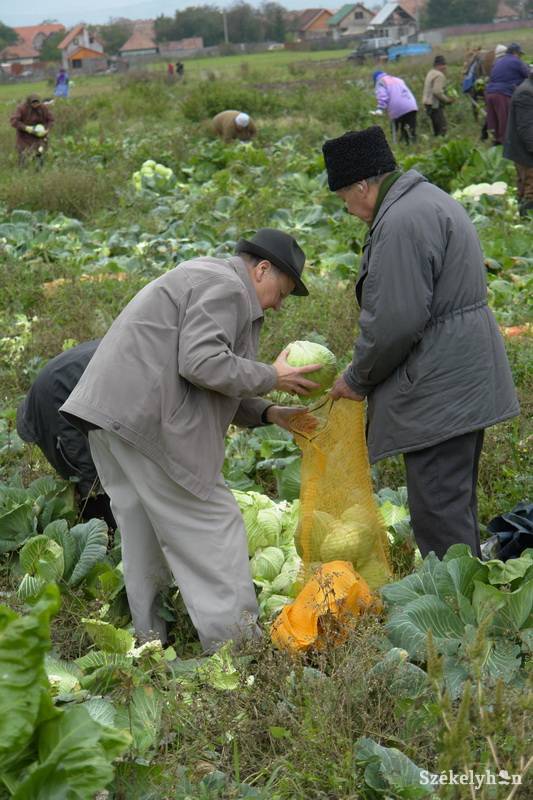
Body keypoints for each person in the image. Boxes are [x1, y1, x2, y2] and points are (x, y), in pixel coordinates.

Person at [60, 229, 321, 651]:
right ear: (262, 269)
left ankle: (150, 642)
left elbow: (205, 376)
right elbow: (202, 363)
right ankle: (238, 654)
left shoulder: (205, 276)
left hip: (112, 420)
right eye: (281, 292)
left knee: (141, 533)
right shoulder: (226, 287)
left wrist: (269, 412)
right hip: (147, 422)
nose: (277, 304)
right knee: (214, 525)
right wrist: (274, 376)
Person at [322, 126, 520, 561]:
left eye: (344, 199)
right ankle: (470, 601)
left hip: (437, 389)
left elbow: (395, 321)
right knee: (453, 500)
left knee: (438, 510)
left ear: (361, 186)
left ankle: (455, 619)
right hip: (459, 377)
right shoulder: (427, 201)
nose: (348, 210)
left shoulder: (400, 221)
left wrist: (356, 379)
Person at [16, 341, 116, 529]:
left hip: (66, 387)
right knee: (84, 471)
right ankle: (103, 525)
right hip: (55, 398)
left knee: (93, 466)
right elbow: (77, 453)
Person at [503, 63, 533, 216]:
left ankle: (522, 217)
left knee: (524, 185)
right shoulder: (526, 93)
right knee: (530, 188)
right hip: (525, 151)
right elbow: (526, 128)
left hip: (524, 149)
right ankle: (527, 221)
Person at [486, 43, 529, 145]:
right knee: (505, 122)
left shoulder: (498, 62)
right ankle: (507, 147)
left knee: (494, 122)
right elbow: (528, 75)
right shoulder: (516, 61)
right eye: (520, 54)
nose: (520, 56)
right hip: (502, 94)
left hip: (490, 93)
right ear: (515, 53)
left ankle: (495, 145)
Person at [371, 70, 418, 144]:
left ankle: (395, 147)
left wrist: (380, 108)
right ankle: (413, 147)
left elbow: (382, 96)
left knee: (394, 131)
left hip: (397, 108)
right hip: (411, 106)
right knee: (410, 130)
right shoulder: (398, 79)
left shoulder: (380, 82)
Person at [10, 94, 53, 166]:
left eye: (37, 102)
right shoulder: (21, 108)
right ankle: (22, 169)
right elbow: (14, 121)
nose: (35, 104)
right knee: (23, 153)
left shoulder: (44, 108)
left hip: (39, 135)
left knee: (40, 152)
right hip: (24, 135)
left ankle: (39, 169)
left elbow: (51, 120)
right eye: (33, 102)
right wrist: (26, 128)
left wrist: (47, 129)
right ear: (29, 102)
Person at [422, 55, 454, 136]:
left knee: (436, 129)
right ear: (439, 65)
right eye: (444, 65)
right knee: (442, 129)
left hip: (427, 104)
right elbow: (437, 92)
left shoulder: (431, 72)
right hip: (434, 105)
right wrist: (447, 100)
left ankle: (437, 144)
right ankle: (441, 144)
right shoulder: (439, 75)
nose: (445, 67)